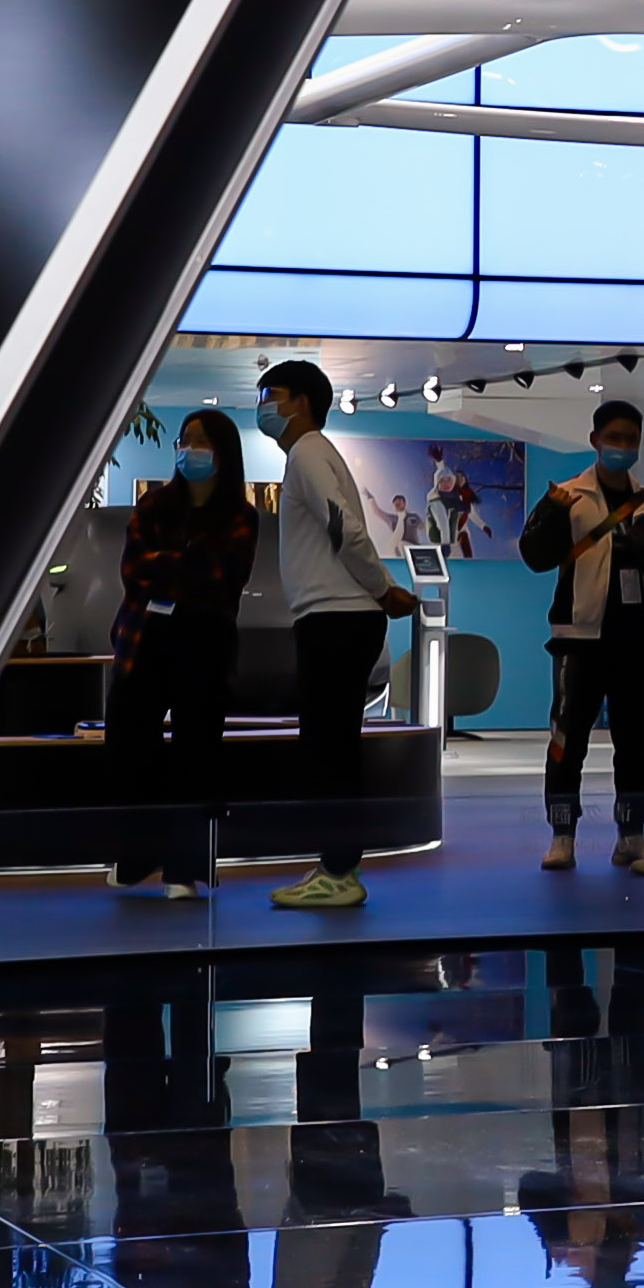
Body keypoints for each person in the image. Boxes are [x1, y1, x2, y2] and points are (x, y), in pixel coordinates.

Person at [254, 360, 411, 908]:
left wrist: (383, 589)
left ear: (301, 402)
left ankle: (340, 870)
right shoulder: (311, 454)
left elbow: (341, 524)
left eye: (271, 394)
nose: (264, 406)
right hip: (332, 617)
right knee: (331, 745)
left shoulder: (308, 453)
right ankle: (335, 864)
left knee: (332, 748)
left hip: (336, 619)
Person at [106, 408, 258, 898]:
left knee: (197, 756)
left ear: (222, 452)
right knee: (131, 750)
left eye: (199, 441)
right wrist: (189, 563)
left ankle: (184, 870)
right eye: (183, 440)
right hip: (143, 642)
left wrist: (168, 567)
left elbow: (226, 578)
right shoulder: (153, 506)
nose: (188, 450)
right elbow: (134, 571)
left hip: (204, 646)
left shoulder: (241, 516)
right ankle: (138, 854)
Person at [519, 399, 644, 874]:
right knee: (567, 741)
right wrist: (550, 513)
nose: (623, 447)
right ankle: (562, 836)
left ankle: (631, 835)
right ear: (595, 441)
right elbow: (534, 556)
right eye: (615, 438)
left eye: (631, 439)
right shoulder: (568, 497)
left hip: (635, 640)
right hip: (578, 639)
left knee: (634, 743)